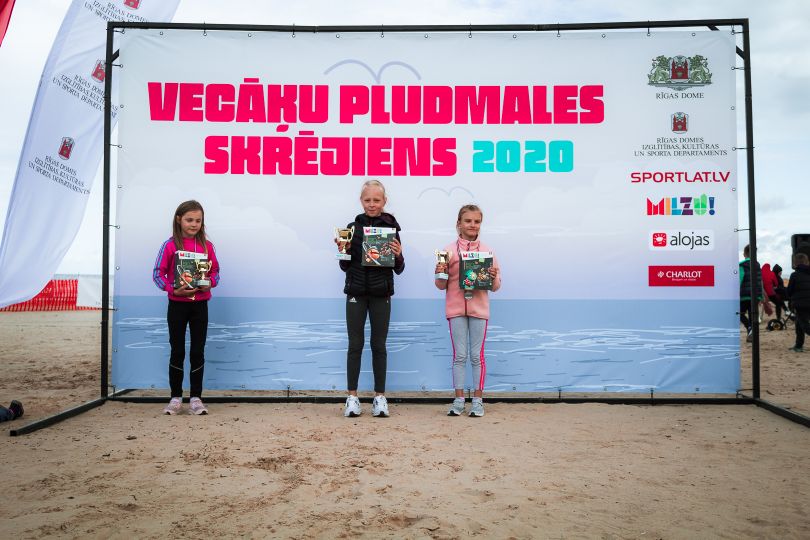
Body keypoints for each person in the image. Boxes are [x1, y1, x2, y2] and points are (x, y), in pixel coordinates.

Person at [337, 180, 404, 418]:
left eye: (377, 200)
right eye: (368, 200)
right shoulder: (352, 227)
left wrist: (398, 255)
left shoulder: (392, 228)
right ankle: (352, 397)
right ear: (361, 201)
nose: (372, 204)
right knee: (355, 345)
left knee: (379, 346)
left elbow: (399, 268)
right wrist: (343, 250)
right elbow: (344, 266)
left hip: (381, 294)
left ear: (384, 201)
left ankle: (380, 398)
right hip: (355, 293)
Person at [153, 200, 220, 415]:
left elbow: (216, 273)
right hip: (177, 306)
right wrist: (173, 289)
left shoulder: (207, 246)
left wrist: (210, 282)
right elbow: (157, 274)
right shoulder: (170, 245)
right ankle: (175, 398)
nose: (194, 224)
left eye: (198, 220)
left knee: (198, 351)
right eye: (189, 220)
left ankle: (196, 398)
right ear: (178, 219)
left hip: (200, 306)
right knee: (177, 351)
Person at [434, 204, 501, 417]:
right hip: (456, 310)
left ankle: (478, 401)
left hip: (479, 310)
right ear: (459, 224)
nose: (473, 225)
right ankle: (459, 400)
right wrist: (440, 272)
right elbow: (440, 285)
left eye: (477, 221)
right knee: (460, 356)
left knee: (476, 356)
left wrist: (493, 277)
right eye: (468, 221)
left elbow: (496, 286)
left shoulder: (488, 252)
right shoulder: (448, 251)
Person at [739, 244, 765, 343]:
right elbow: (760, 281)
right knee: (752, 315)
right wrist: (761, 296)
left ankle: (749, 328)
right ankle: (751, 335)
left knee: (739, 313)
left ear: (744, 254)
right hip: (756, 295)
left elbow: (739, 279)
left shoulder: (742, 265)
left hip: (745, 295)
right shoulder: (757, 265)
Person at [787, 253, 810, 353]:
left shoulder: (794, 275)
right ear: (807, 262)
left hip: (800, 304)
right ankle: (798, 345)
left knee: (804, 325)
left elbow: (789, 291)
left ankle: (798, 345)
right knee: (798, 324)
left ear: (795, 263)